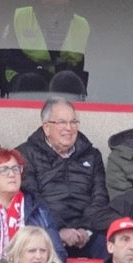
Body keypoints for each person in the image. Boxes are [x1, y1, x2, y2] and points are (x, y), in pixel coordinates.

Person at [18, 96, 107, 253]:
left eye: (73, 122)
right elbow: (31, 198)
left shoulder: (92, 155)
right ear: (46, 127)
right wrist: (58, 230)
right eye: (62, 122)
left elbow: (100, 197)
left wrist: (85, 230)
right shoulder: (25, 154)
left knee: (114, 250)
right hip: (46, 230)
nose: (69, 128)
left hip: (86, 232)